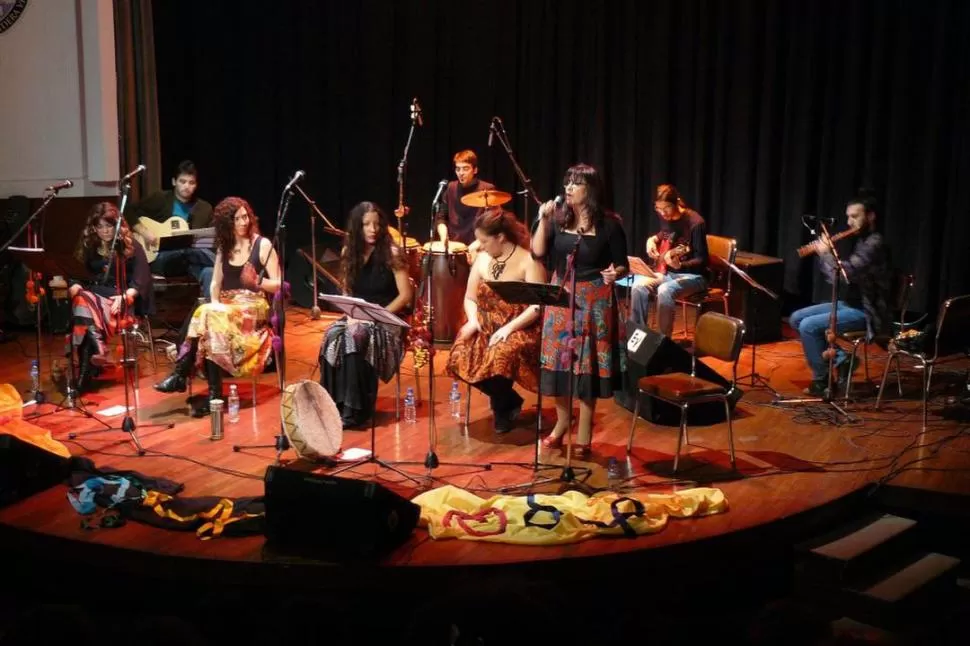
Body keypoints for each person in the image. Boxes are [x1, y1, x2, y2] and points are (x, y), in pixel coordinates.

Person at [531, 163, 628, 457]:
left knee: (587, 368)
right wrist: (543, 220)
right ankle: (562, 424)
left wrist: (616, 273)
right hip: (562, 296)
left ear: (591, 190)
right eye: (567, 183)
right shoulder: (559, 219)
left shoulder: (610, 224)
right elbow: (537, 252)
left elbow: (622, 264)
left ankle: (584, 431)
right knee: (560, 366)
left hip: (594, 301)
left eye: (575, 184)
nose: (568, 188)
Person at [153, 197, 281, 417]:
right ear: (226, 224)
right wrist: (215, 302)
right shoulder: (225, 248)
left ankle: (182, 374)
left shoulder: (263, 245)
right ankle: (213, 394)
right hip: (226, 308)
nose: (243, 222)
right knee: (210, 317)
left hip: (252, 306)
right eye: (237, 219)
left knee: (207, 314)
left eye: (245, 216)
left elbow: (279, 283)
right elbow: (215, 283)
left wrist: (257, 282)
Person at [447, 209, 546, 433]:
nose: (479, 246)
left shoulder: (527, 261)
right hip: (486, 323)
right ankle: (509, 400)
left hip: (521, 326)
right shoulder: (483, 259)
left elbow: (536, 306)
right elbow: (470, 297)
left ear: (500, 237)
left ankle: (501, 409)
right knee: (459, 354)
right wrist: (472, 320)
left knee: (500, 353)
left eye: (484, 241)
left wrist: (509, 328)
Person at [319, 201, 414, 428]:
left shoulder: (392, 253)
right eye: (366, 225)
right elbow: (347, 291)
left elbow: (405, 296)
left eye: (377, 224)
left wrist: (374, 316)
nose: (373, 229)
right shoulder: (348, 252)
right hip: (357, 314)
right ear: (357, 227)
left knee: (356, 335)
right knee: (332, 336)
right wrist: (351, 313)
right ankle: (334, 405)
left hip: (385, 317)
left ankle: (356, 409)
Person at [789, 189, 891, 396]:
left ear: (870, 216)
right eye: (848, 217)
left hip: (869, 312)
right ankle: (843, 360)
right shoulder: (863, 240)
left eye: (855, 216)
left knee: (809, 327)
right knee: (796, 318)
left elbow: (843, 275)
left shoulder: (875, 243)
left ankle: (822, 381)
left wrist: (825, 252)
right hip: (853, 304)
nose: (849, 222)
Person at [67, 203, 154, 392]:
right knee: (83, 300)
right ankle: (96, 351)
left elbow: (142, 278)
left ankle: (85, 375)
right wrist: (74, 283)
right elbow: (76, 271)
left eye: (109, 226)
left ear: (118, 226)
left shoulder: (131, 245)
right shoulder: (89, 245)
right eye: (100, 227)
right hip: (95, 295)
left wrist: (125, 296)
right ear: (93, 228)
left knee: (83, 304)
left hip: (120, 298)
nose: (105, 231)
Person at [125, 160, 215, 297]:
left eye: (191, 183)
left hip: (190, 261)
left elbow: (210, 241)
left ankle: (211, 311)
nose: (187, 186)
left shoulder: (205, 209)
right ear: (174, 182)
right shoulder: (160, 199)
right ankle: (228, 265)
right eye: (182, 181)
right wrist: (145, 232)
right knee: (186, 249)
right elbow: (128, 211)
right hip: (161, 258)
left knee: (209, 271)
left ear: (196, 185)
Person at [630, 184, 709, 337]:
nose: (662, 213)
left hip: (695, 277)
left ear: (676, 203)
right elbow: (665, 233)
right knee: (638, 286)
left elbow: (702, 259)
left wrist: (681, 265)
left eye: (666, 208)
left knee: (665, 291)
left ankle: (662, 342)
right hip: (668, 273)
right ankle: (637, 338)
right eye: (658, 209)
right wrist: (652, 239)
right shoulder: (666, 217)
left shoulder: (696, 222)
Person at [434, 150, 497, 249]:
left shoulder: (487, 189)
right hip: (453, 246)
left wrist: (477, 244)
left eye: (465, 169)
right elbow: (441, 217)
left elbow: (494, 223)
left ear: (475, 170)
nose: (461, 173)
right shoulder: (451, 187)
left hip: (477, 245)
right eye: (458, 169)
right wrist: (443, 236)